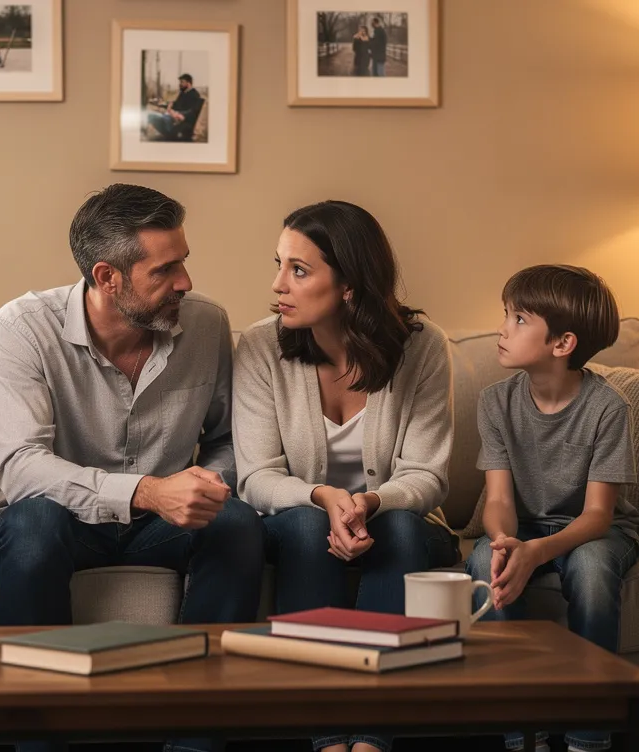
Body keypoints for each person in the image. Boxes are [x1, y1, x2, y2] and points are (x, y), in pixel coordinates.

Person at [0, 183, 265, 752]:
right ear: (107, 277)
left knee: (236, 524)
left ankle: (195, 743)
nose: (184, 281)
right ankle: (41, 744)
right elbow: (21, 467)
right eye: (165, 270)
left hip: (161, 530)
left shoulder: (206, 324)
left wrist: (205, 483)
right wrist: (147, 491)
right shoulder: (22, 329)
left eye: (184, 261)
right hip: (61, 523)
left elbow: (228, 439)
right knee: (33, 527)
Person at [234, 200, 459, 752]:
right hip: (300, 522)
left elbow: (428, 474)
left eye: (299, 270)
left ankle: (372, 739)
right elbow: (257, 476)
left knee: (402, 528)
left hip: (399, 518)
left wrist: (371, 503)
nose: (278, 283)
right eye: (279, 264)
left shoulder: (423, 348)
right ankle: (330, 737)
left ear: (351, 285)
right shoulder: (262, 346)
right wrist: (325, 496)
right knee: (310, 528)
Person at [465, 264, 639, 752]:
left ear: (562, 344)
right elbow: (497, 500)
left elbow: (598, 516)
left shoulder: (609, 408)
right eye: (506, 314)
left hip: (592, 531)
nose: (502, 328)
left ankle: (589, 737)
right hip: (520, 525)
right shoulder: (495, 403)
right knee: (484, 562)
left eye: (518, 319)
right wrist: (504, 542)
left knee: (591, 570)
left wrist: (537, 551)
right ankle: (526, 736)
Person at [146, 73, 205, 141]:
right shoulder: (183, 93)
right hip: (173, 117)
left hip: (178, 120)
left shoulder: (194, 94)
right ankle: (168, 133)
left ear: (188, 83)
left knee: (151, 115)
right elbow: (176, 104)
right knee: (153, 115)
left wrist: (178, 114)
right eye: (180, 82)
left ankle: (169, 135)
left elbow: (192, 111)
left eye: (182, 82)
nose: (180, 84)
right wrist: (166, 104)